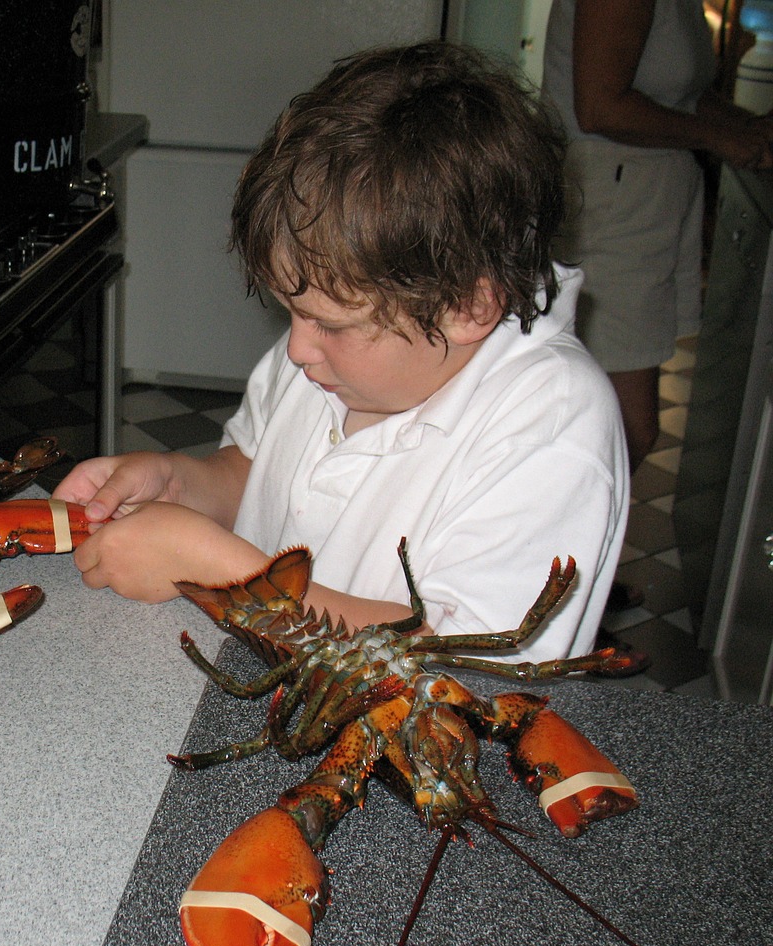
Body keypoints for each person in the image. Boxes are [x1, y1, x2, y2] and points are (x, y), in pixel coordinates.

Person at [55, 41, 629, 664]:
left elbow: (461, 665)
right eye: (291, 312)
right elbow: (255, 471)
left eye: (330, 323)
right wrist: (178, 486)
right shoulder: (330, 346)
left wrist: (228, 578)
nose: (297, 348)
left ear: (468, 307)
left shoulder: (554, 426)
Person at [543, 0, 773, 488]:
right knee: (626, 428)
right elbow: (600, 106)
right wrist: (719, 139)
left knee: (615, 429)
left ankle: (559, 549)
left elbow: (680, 93)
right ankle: (542, 550)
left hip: (644, 203)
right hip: (613, 206)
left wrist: (740, 125)